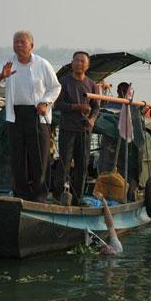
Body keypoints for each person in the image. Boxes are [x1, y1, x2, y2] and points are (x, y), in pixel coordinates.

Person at [0, 30, 61, 202]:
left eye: (22, 42)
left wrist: (45, 102)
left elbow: (55, 87)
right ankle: (21, 194)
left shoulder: (42, 64)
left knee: (39, 156)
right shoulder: (8, 63)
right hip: (15, 115)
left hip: (37, 114)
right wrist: (2, 75)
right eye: (16, 42)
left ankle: (40, 196)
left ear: (31, 46)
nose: (18, 45)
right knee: (17, 157)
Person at [54, 51, 100, 205]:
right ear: (72, 63)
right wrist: (77, 107)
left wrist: (92, 120)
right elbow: (58, 104)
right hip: (67, 128)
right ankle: (58, 196)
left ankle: (77, 198)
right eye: (77, 61)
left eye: (82, 61)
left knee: (82, 164)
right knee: (64, 163)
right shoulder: (64, 81)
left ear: (87, 66)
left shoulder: (92, 84)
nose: (79, 64)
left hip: (84, 129)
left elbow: (96, 107)